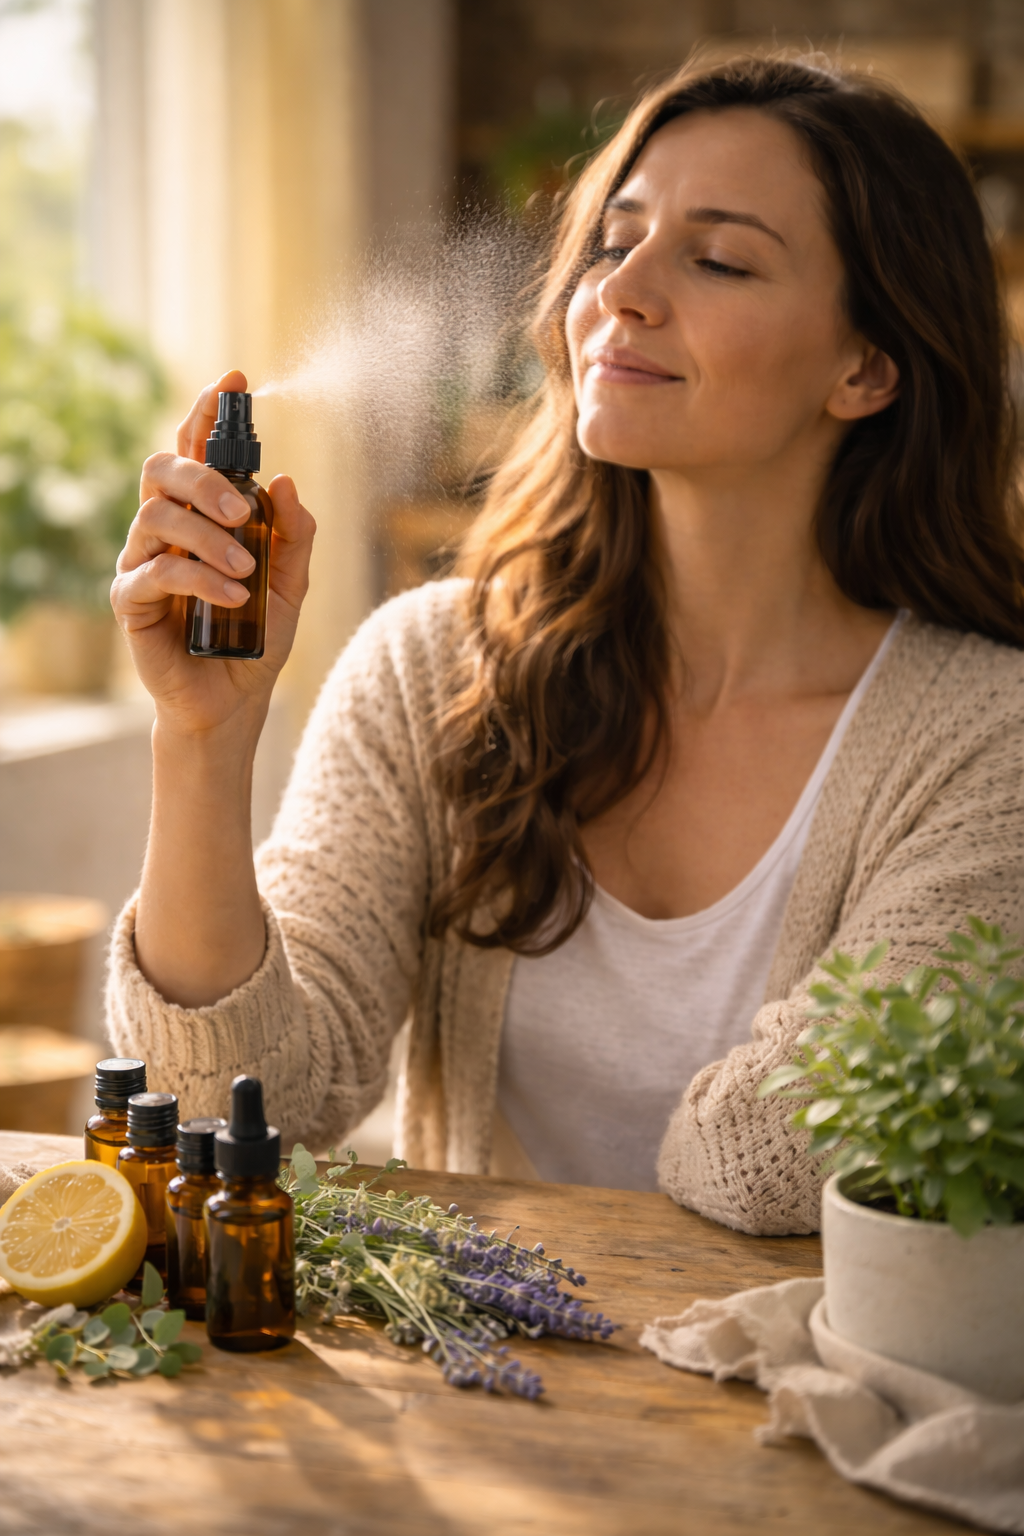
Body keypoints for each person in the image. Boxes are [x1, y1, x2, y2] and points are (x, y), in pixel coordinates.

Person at [107, 56, 1024, 1235]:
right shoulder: (429, 671)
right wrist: (202, 739)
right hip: (471, 1411)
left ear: (866, 366)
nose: (621, 292)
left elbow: (775, 1167)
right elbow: (243, 1100)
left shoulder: (986, 741)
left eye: (720, 258)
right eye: (612, 241)